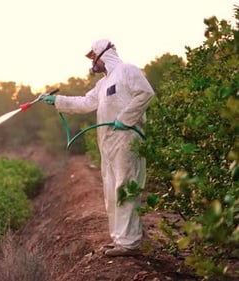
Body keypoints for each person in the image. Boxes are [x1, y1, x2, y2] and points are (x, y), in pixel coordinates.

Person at [40, 39, 154, 257]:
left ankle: (129, 243)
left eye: (94, 57)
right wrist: (57, 101)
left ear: (105, 54)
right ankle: (120, 239)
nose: (93, 62)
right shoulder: (102, 85)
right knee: (112, 190)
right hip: (108, 144)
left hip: (127, 139)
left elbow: (146, 93)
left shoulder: (127, 71)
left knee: (125, 187)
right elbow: (84, 103)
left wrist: (126, 118)